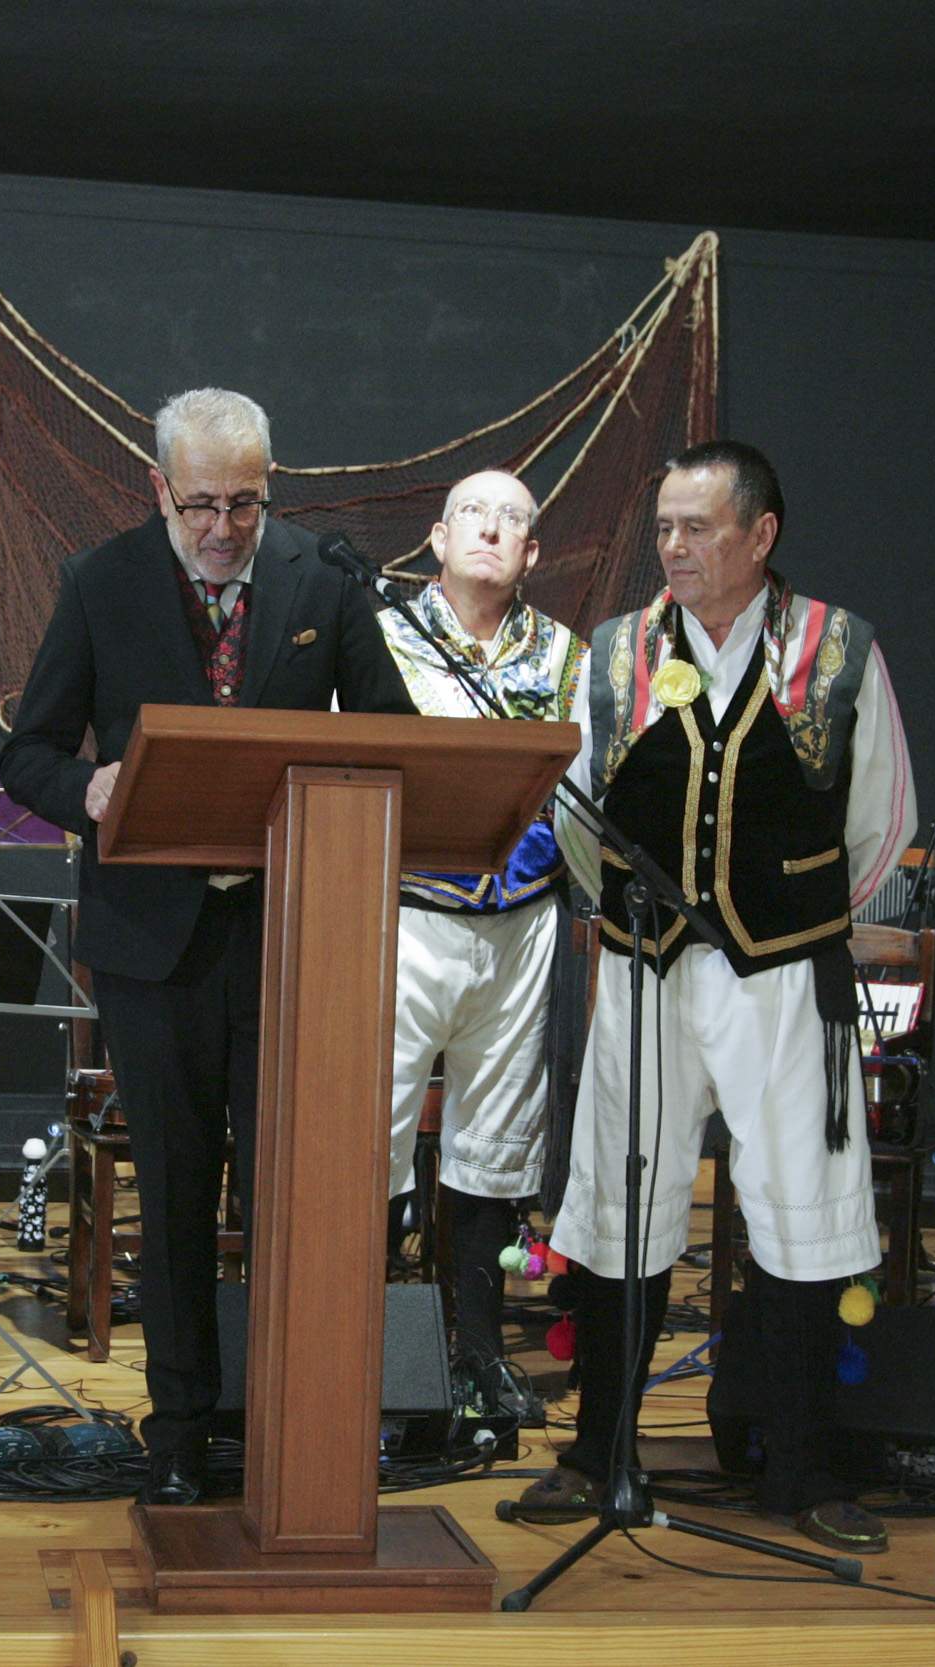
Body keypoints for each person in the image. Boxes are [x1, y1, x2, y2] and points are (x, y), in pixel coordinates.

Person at [0, 388, 415, 1506]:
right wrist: (84, 788)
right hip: (152, 946)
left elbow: (391, 738)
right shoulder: (101, 582)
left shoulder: (323, 581)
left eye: (245, 502)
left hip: (289, 939)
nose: (225, 526)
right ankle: (179, 1428)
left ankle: (291, 1422)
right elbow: (29, 747)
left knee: (291, 1194)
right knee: (177, 1194)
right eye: (201, 505)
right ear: (157, 490)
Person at [523, 440, 912, 1555]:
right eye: (663, 530)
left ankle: (800, 1466)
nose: (675, 548)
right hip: (645, 971)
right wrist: (632, 921)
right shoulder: (618, 651)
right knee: (616, 1199)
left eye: (697, 527)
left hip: (785, 971)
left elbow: (880, 821)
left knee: (800, 1205)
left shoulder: (836, 650)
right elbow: (577, 808)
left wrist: (790, 915)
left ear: (761, 534)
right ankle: (600, 1452)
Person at [375, 470, 586, 1406]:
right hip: (403, 914)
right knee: (370, 1132)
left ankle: (476, 1354)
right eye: (475, 514)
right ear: (436, 535)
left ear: (533, 552)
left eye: (514, 520)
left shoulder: (569, 658)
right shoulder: (380, 640)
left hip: (522, 920)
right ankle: (368, 1344)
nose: (493, 531)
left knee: (494, 1143)